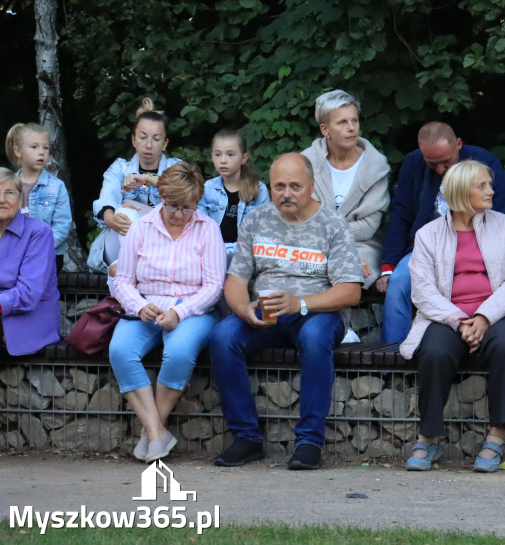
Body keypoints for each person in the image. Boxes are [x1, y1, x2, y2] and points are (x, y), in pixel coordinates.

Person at [209, 153, 362, 471]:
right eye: (279, 186)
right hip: (267, 311)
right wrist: (241, 308)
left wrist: (301, 303)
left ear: (311, 186)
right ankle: (247, 438)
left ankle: (309, 441)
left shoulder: (332, 225)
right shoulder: (255, 220)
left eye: (295, 185)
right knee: (223, 336)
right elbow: (235, 280)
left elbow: (350, 290)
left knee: (316, 336)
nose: (287, 193)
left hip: (318, 312)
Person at [400, 160, 505, 472]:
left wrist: (484, 317)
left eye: (489, 184)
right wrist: (459, 320)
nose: (491, 190)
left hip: (499, 313)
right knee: (434, 351)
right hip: (447, 316)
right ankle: (429, 436)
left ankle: (497, 435)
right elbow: (422, 291)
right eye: (482, 186)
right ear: (462, 192)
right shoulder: (428, 235)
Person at [108, 162, 225, 463]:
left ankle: (151, 434)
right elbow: (122, 280)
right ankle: (158, 433)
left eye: (187, 208)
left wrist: (180, 312)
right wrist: (139, 305)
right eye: (172, 206)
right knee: (120, 350)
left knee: (180, 352)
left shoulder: (208, 229)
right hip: (147, 305)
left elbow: (214, 287)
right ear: (161, 198)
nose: (178, 214)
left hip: (192, 308)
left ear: (197, 203)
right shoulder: (141, 227)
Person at [376, 122, 505, 343]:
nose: (440, 170)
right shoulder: (413, 163)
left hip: (476, 248)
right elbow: (401, 214)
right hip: (425, 249)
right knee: (398, 283)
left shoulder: (484, 162)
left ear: (458, 144)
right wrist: (388, 265)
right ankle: (391, 363)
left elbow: (501, 215)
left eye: (445, 162)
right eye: (432, 163)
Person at [301, 90, 390, 289]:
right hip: (313, 244)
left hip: (362, 246)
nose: (351, 128)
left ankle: (336, 321)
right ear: (325, 130)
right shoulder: (307, 162)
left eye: (355, 121)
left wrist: (329, 237)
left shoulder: (376, 166)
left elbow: (368, 227)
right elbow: (302, 220)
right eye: (342, 123)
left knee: (349, 273)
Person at [88, 98, 181, 274]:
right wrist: (110, 218)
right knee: (126, 212)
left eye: (156, 139)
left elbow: (185, 192)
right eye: (143, 137)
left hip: (165, 247)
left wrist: (147, 179)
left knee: (138, 215)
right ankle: (140, 275)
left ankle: (134, 278)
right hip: (118, 246)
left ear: (165, 143)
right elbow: (107, 197)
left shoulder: (176, 168)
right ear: (133, 140)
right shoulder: (120, 168)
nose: (148, 145)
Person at [0, 168, 61, 356]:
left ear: (20, 200)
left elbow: (28, 293)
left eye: (9, 193)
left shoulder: (38, 233)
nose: (2, 199)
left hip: (26, 318)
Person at [5, 123, 72, 270]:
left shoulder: (56, 186)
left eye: (45, 148)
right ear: (18, 151)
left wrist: (35, 248)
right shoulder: (7, 187)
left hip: (48, 255)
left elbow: (62, 226)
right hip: (13, 253)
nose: (41, 152)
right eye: (34, 147)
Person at [198, 129, 269, 262]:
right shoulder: (207, 189)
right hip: (211, 255)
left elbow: (262, 233)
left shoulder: (258, 190)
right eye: (218, 154)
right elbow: (201, 230)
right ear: (212, 157)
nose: (223, 160)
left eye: (230, 155)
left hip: (246, 258)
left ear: (244, 158)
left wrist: (230, 251)